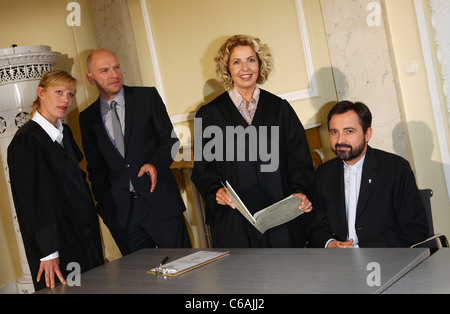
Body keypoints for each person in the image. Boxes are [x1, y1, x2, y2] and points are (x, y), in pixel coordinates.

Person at [191, 35, 315, 248]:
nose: (245, 68)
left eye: (251, 60)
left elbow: (299, 159)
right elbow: (204, 169)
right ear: (227, 68)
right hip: (235, 219)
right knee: (244, 278)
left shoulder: (280, 109)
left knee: (287, 276)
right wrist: (215, 191)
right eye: (236, 62)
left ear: (260, 63)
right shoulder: (210, 114)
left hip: (279, 216)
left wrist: (299, 191)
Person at [79, 49, 190, 256]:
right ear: (90, 78)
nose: (114, 74)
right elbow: (95, 169)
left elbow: (171, 141)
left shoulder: (147, 97)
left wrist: (155, 164)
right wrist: (105, 210)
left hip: (161, 206)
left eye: (116, 67)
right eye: (104, 70)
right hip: (123, 218)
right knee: (141, 283)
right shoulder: (87, 119)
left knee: (185, 272)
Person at [7, 70, 104, 291]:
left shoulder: (65, 132)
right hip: (57, 245)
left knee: (93, 287)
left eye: (70, 94)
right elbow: (32, 203)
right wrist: (48, 252)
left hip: (84, 235)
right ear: (41, 93)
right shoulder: (26, 142)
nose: (65, 100)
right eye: (58, 92)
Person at [308, 100, 429, 248]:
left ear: (367, 134)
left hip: (386, 259)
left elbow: (415, 228)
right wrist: (330, 244)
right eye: (334, 132)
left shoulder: (396, 169)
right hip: (340, 262)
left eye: (349, 131)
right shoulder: (324, 174)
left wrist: (360, 249)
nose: (340, 139)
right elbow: (316, 224)